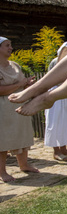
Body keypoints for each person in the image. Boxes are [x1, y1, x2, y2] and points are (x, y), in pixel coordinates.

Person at [0, 36, 39, 182]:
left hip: (18, 104)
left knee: (22, 135)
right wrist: (20, 84)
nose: (10, 48)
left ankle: (24, 165)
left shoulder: (15, 65)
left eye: (10, 45)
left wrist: (27, 84)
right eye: (6, 45)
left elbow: (21, 83)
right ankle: (2, 172)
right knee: (3, 139)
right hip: (3, 107)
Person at [44, 42, 67, 160]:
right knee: (55, 122)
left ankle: (64, 148)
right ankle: (56, 151)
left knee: (66, 122)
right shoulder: (55, 61)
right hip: (55, 93)